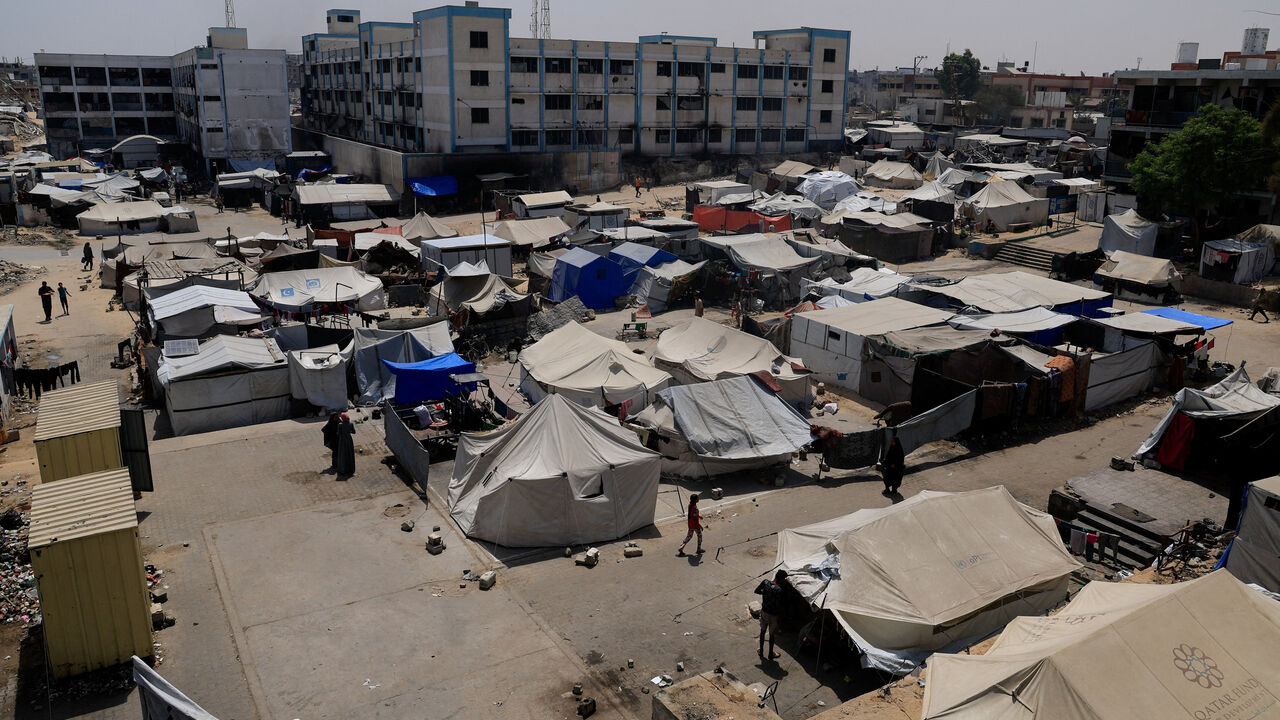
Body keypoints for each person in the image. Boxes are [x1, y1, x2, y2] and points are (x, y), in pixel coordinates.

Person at [754, 570, 787, 660]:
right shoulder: (779, 590)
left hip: (764, 612)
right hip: (773, 615)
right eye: (784, 579)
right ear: (781, 579)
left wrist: (765, 593)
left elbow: (756, 591)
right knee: (772, 635)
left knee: (762, 632)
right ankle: (770, 654)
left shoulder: (765, 582)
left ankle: (761, 651)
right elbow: (778, 604)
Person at [333, 412, 356, 477]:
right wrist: (348, 431)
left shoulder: (340, 424)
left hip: (342, 441)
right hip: (349, 440)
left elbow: (338, 433)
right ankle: (350, 469)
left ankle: (343, 469)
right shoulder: (351, 424)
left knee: (342, 455)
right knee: (350, 454)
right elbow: (354, 432)